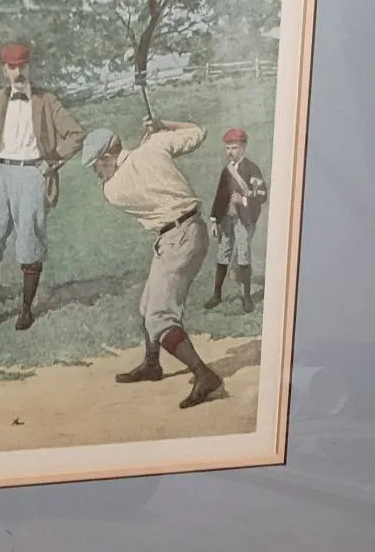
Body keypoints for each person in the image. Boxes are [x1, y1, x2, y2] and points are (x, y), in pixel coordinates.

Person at [82, 117, 223, 409]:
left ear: (107, 156)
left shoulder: (113, 190)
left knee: (159, 316)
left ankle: (204, 375)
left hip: (178, 241)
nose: (96, 172)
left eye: (96, 165)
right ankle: (151, 364)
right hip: (188, 231)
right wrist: (163, 125)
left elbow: (129, 170)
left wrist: (150, 140)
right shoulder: (156, 146)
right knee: (147, 305)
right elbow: (199, 131)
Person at [0, 42, 85, 334]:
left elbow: (76, 133)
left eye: (22, 66)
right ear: (5, 70)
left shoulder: (47, 100)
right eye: (12, 67)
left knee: (29, 241)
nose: (18, 72)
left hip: (32, 174)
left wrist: (52, 159)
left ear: (30, 66)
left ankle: (26, 310)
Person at [205, 128, 268, 314]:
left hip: (243, 220)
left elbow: (262, 195)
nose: (230, 152)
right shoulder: (227, 171)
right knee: (223, 255)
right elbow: (220, 196)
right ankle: (217, 295)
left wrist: (244, 200)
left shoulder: (252, 169)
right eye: (227, 148)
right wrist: (214, 220)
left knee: (243, 255)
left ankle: (247, 298)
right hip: (227, 220)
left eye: (234, 148)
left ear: (243, 147)